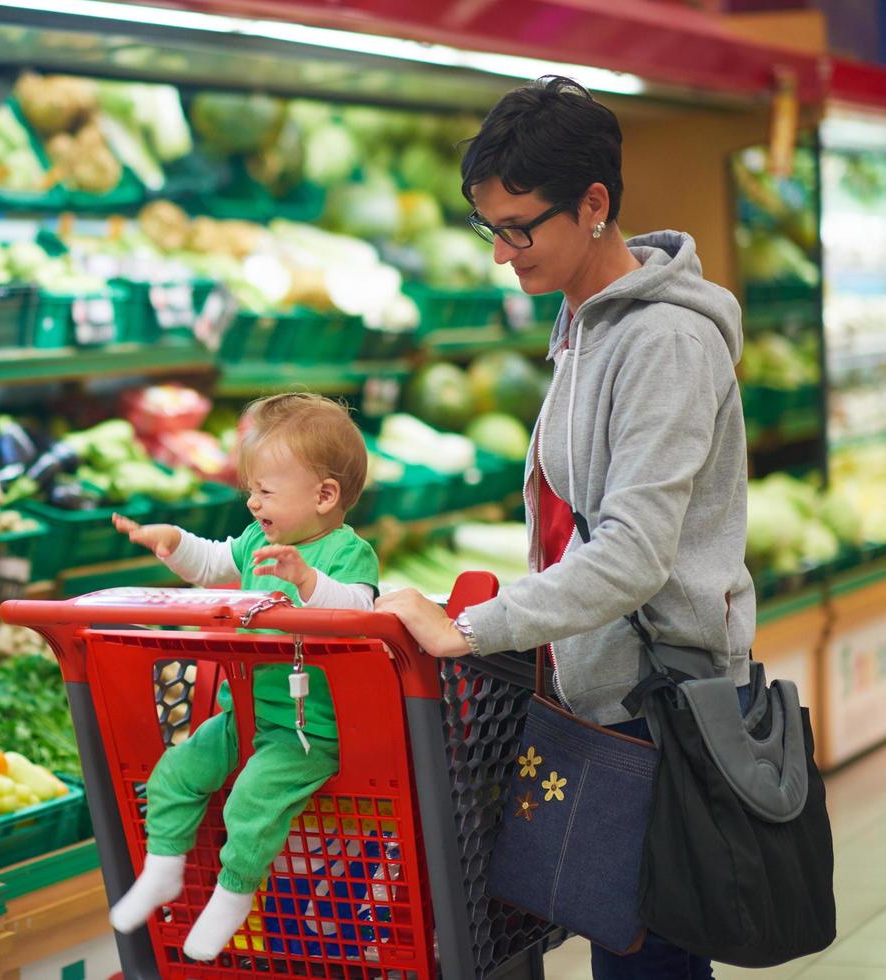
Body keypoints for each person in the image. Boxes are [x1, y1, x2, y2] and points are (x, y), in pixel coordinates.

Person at [374, 76, 754, 980]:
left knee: (648, 960)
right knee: (623, 948)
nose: (502, 253)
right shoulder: (580, 320)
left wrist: (471, 627)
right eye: (489, 228)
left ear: (593, 205)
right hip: (603, 700)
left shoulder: (662, 341)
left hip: (661, 710)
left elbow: (629, 552)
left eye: (519, 227)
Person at [106, 392, 379, 962]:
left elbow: (356, 614)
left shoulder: (347, 554)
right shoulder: (259, 539)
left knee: (249, 802)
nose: (253, 502)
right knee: (175, 773)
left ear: (325, 495)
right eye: (250, 489)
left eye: (266, 491)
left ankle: (233, 897)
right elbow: (213, 563)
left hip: (309, 731)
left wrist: (305, 580)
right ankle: (163, 870)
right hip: (245, 714)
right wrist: (173, 544)